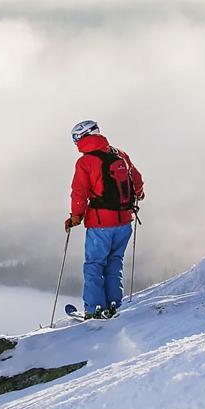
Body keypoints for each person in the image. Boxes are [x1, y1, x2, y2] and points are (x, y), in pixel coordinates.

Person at [65, 120, 145, 319]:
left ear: (84, 137)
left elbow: (79, 192)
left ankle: (94, 309)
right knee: (114, 262)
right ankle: (113, 304)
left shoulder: (86, 161)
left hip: (101, 224)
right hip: (125, 222)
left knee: (94, 265)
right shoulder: (120, 154)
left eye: (76, 137)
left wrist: (76, 216)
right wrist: (139, 194)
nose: (75, 142)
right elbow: (137, 181)